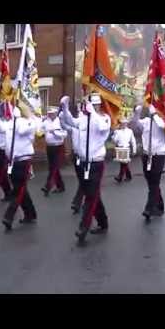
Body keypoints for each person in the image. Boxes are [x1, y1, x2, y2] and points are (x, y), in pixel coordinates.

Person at [61, 94, 111, 243]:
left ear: (98, 106)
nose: (92, 107)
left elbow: (102, 127)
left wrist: (93, 113)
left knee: (90, 197)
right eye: (91, 105)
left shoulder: (104, 118)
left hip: (96, 163)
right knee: (93, 194)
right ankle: (103, 222)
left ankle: (84, 227)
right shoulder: (83, 119)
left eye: (95, 105)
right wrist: (64, 108)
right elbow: (71, 122)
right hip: (82, 163)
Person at [0, 103, 38, 230]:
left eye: (10, 111)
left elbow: (22, 131)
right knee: (20, 188)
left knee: (18, 189)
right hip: (12, 161)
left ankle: (9, 216)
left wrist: (22, 118)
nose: (7, 113)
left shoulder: (27, 122)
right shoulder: (8, 124)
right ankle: (31, 214)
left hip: (24, 160)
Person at [130, 103, 165, 220]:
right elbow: (135, 126)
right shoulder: (146, 121)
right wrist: (137, 113)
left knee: (154, 182)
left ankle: (149, 208)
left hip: (158, 155)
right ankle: (160, 205)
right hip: (146, 155)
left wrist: (155, 114)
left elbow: (162, 126)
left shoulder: (162, 120)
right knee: (151, 182)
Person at [60, 103, 84, 214]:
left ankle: (77, 202)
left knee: (84, 181)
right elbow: (65, 125)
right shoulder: (74, 129)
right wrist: (61, 117)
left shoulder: (87, 129)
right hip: (76, 156)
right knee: (82, 180)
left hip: (86, 158)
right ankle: (83, 200)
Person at [40, 106, 67, 196]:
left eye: (52, 113)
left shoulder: (60, 121)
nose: (50, 115)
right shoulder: (46, 121)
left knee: (54, 167)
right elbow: (40, 130)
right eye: (49, 113)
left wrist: (55, 133)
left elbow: (65, 134)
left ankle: (47, 186)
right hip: (49, 147)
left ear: (55, 113)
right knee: (53, 167)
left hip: (58, 146)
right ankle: (61, 186)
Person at [112, 117, 136, 183]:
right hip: (120, 148)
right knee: (123, 163)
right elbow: (114, 140)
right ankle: (129, 176)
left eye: (125, 123)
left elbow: (133, 141)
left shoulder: (130, 131)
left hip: (126, 148)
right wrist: (116, 133)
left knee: (124, 163)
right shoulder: (117, 131)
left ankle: (120, 177)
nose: (124, 125)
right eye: (122, 123)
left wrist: (134, 150)